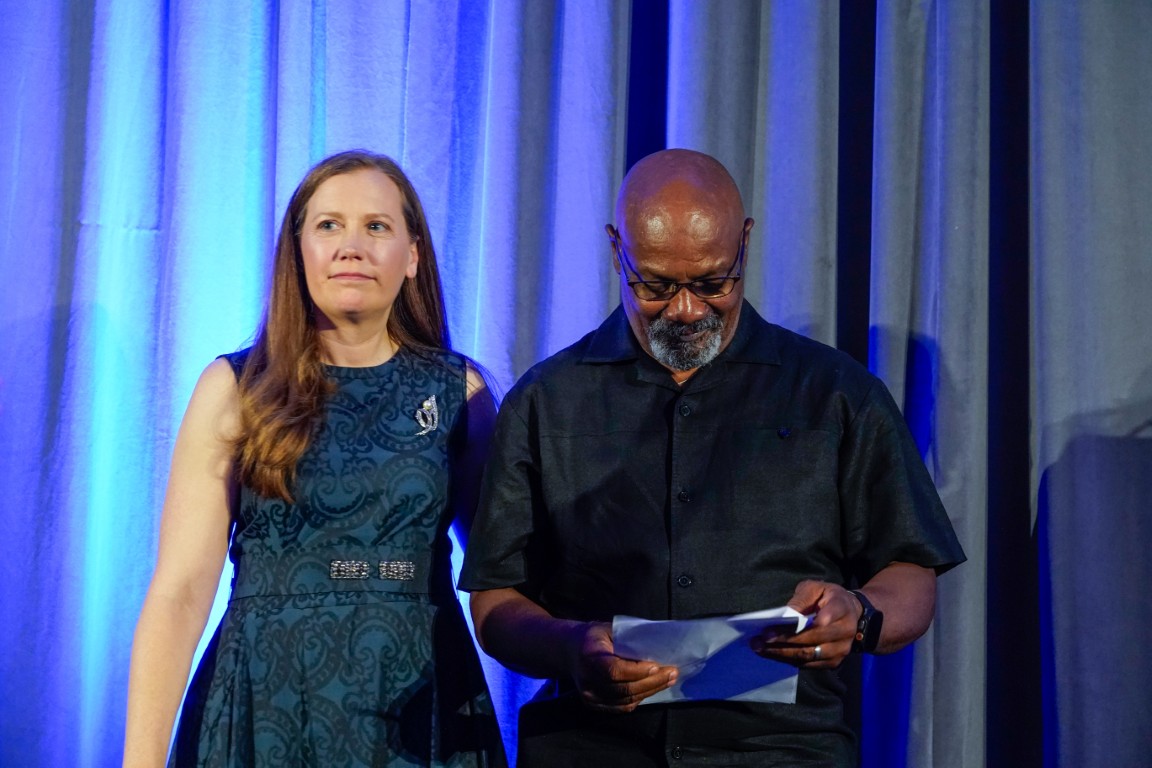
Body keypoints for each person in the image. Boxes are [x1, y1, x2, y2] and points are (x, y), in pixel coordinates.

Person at [459, 148, 965, 767]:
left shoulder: (837, 394)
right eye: (655, 285)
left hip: (780, 749)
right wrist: (570, 647)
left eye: (712, 283)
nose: (686, 309)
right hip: (593, 747)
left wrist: (858, 614)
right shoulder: (546, 400)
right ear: (616, 249)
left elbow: (910, 574)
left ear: (744, 243)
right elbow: (496, 599)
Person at [123, 150, 506, 767]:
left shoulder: (458, 393)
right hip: (262, 705)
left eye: (376, 226)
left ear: (412, 255)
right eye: (329, 225)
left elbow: (503, 573)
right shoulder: (236, 388)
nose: (352, 247)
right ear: (297, 251)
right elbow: (181, 593)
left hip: (417, 706)